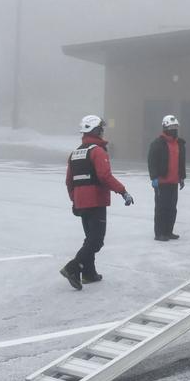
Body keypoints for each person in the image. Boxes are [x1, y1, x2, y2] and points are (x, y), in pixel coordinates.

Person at [61, 115, 134, 290]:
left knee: (89, 238)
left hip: (81, 202)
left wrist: (74, 201)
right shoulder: (98, 151)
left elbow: (69, 181)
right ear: (96, 131)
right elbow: (104, 176)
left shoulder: (75, 153)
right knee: (96, 240)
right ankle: (73, 267)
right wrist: (123, 191)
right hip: (95, 201)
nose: (103, 132)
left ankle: (88, 273)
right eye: (101, 129)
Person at [147, 114, 186, 241]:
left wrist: (181, 177)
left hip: (173, 182)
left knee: (172, 208)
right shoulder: (157, 143)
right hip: (162, 182)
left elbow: (181, 162)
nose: (174, 129)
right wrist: (154, 178)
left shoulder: (179, 144)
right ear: (165, 128)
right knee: (161, 208)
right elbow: (151, 161)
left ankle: (169, 231)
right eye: (171, 127)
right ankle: (159, 233)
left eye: (175, 127)